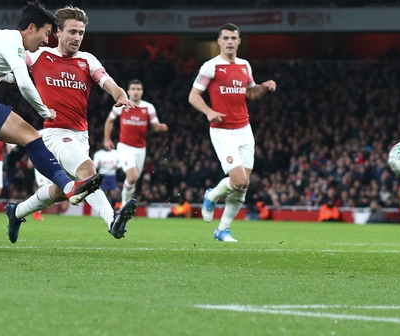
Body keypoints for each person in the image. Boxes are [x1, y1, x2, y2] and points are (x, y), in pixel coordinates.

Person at [0, 5, 137, 242]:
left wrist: (119, 94)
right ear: (58, 33)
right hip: (55, 134)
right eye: (72, 32)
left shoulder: (87, 60)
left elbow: (106, 81)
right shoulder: (38, 55)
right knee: (88, 173)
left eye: (81, 33)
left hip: (81, 135)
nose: (77, 38)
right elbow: (4, 66)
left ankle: (17, 211)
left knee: (62, 191)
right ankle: (112, 219)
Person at [189, 23, 276, 242]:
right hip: (222, 131)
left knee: (243, 186)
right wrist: (208, 111)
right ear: (219, 41)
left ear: (239, 41)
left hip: (244, 130)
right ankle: (212, 195)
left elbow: (251, 94)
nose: (229, 41)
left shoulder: (245, 66)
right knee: (238, 180)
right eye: (225, 38)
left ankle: (223, 229)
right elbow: (193, 96)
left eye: (233, 38)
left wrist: (264, 87)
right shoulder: (211, 66)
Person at [104, 80, 168, 206]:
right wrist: (107, 139)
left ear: (142, 92)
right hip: (124, 146)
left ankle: (125, 205)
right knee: (132, 177)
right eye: (133, 89)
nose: (136, 91)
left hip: (140, 149)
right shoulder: (122, 105)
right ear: (128, 91)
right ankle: (123, 205)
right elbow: (109, 121)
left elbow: (155, 126)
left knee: (133, 180)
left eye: (138, 89)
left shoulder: (148, 107)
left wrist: (160, 127)